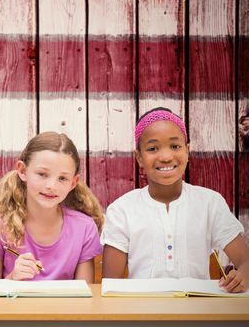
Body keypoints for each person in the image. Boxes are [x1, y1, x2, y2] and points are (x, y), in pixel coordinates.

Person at [101, 107, 249, 293]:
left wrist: (243, 276)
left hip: (198, 314)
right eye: (153, 148)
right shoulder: (122, 210)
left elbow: (245, 262)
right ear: (139, 157)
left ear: (187, 151)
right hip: (140, 314)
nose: (165, 156)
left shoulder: (209, 203)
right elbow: (110, 286)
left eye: (175, 146)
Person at [0, 132, 104, 281]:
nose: (51, 186)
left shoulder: (84, 228)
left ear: (73, 183)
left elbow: (85, 293)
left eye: (62, 178)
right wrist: (12, 280)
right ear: (23, 171)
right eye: (42, 174)